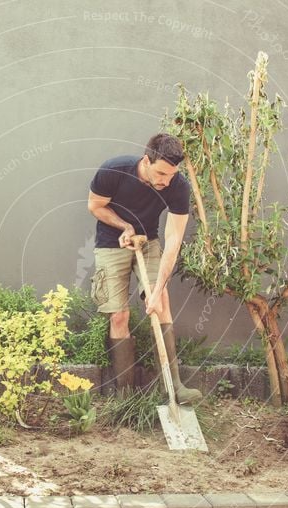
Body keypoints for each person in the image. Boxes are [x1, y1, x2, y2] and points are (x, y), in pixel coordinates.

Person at [88, 133, 201, 405]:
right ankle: (125, 395)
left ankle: (174, 387)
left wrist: (158, 288)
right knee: (119, 316)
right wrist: (125, 226)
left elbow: (173, 240)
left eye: (171, 175)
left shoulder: (178, 187)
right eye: (161, 173)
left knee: (160, 301)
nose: (165, 181)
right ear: (146, 160)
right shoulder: (114, 170)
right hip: (110, 242)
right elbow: (95, 206)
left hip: (148, 242)